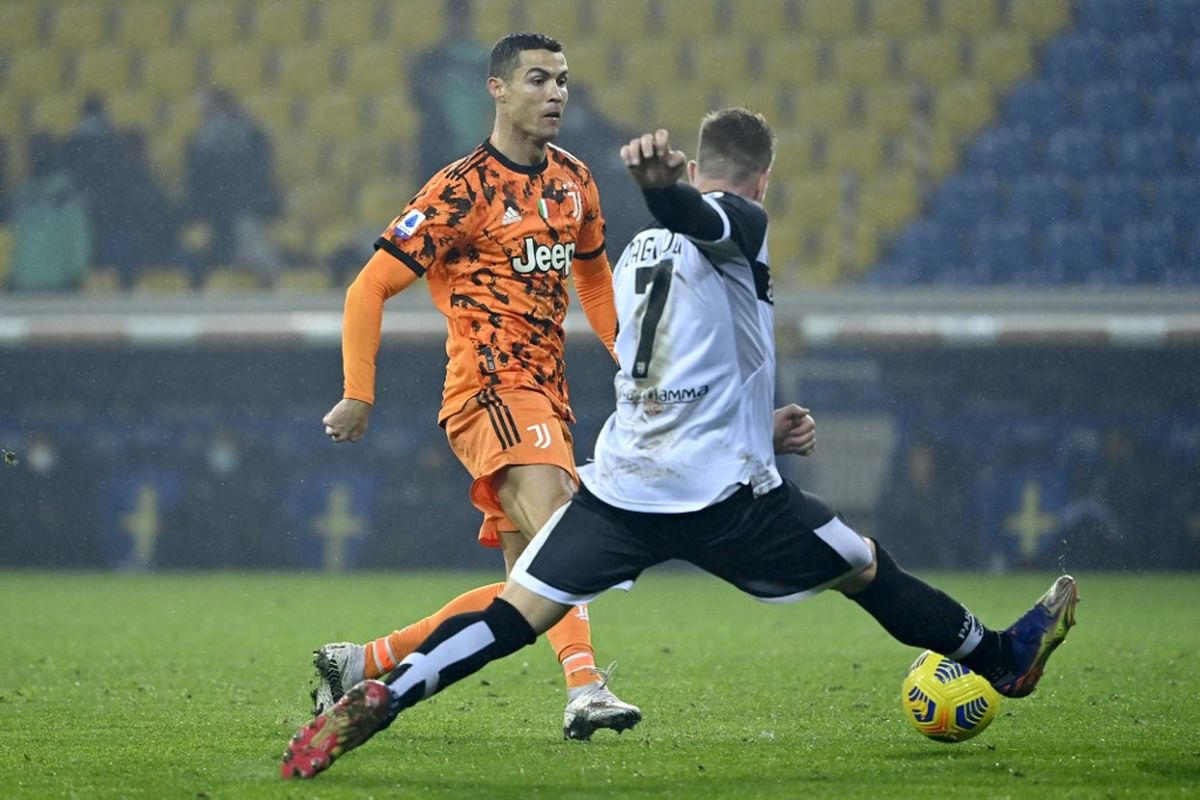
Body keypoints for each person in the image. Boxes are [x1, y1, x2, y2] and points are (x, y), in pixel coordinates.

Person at [281, 109, 1080, 780]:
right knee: (866, 566)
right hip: (725, 499)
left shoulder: (633, 257)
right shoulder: (741, 223)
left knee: (521, 607)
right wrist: (665, 192)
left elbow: (658, 375)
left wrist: (755, 421)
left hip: (624, 489)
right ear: (763, 180)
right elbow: (707, 219)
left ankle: (392, 693)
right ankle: (1002, 656)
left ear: (700, 161)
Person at [311, 32, 640, 741]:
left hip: (547, 395)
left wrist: (627, 358)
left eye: (561, 81)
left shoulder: (574, 180)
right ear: (496, 89)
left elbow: (592, 276)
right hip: (489, 391)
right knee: (566, 534)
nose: (555, 93)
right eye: (536, 79)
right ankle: (585, 689)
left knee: (531, 593)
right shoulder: (460, 190)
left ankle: (364, 661)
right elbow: (369, 288)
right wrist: (358, 392)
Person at [183, 87, 282, 282]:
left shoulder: (209, 142)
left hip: (240, 212)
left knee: (253, 255)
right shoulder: (247, 135)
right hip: (229, 213)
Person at [411, 0, 494, 180]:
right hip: (439, 149)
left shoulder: (485, 60)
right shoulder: (433, 59)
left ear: (469, 19)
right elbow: (418, 98)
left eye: (461, 17)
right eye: (454, 17)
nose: (457, 23)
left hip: (474, 149)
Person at [6, 132, 90, 292]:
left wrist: (75, 274)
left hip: (59, 285)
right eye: (33, 152)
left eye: (40, 151)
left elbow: (78, 237)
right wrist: (13, 274)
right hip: (24, 284)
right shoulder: (22, 194)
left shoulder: (65, 194)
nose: (36, 157)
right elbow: (16, 239)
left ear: (52, 155)